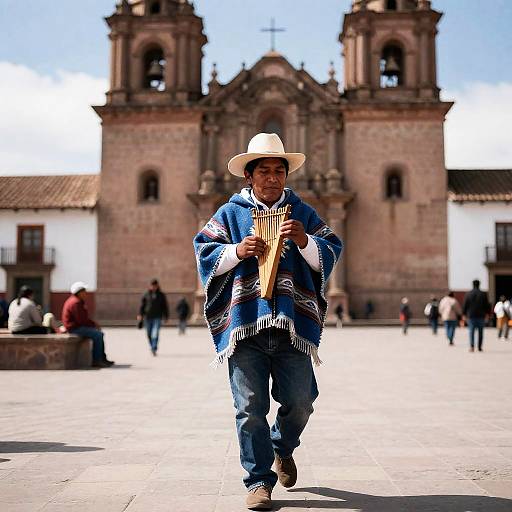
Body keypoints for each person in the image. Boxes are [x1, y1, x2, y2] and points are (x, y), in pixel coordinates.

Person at [194, 133, 342, 510]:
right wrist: (236, 250)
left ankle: (282, 446)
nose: (273, 177)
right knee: (249, 407)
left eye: (279, 170)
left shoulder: (302, 212)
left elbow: (332, 249)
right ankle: (259, 481)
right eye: (264, 171)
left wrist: (307, 242)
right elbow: (204, 251)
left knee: (301, 401)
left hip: (292, 327)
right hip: (246, 328)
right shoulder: (229, 213)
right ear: (249, 177)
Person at [62, 282, 114, 367]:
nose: (86, 293)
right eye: (84, 291)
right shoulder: (76, 302)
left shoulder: (75, 301)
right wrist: (94, 325)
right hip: (74, 328)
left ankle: (102, 358)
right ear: (79, 292)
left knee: (98, 333)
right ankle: (97, 360)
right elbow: (82, 320)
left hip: (76, 326)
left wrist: (93, 324)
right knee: (98, 335)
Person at [137, 279, 169, 355]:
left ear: (157, 286)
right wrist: (140, 314)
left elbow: (165, 306)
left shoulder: (161, 295)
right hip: (148, 317)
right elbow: (142, 306)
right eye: (152, 286)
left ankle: (154, 347)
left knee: (155, 333)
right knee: (149, 334)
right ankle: (152, 346)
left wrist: (166, 316)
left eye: (155, 286)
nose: (154, 287)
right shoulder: (146, 294)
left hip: (157, 317)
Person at [462, 279, 491, 352]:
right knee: (480, 332)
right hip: (481, 315)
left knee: (471, 332)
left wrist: (464, 314)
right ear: (479, 284)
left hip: (471, 316)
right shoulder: (483, 294)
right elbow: (487, 305)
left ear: (473, 284)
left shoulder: (468, 294)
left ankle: (472, 346)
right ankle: (479, 347)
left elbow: (465, 305)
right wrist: (488, 314)